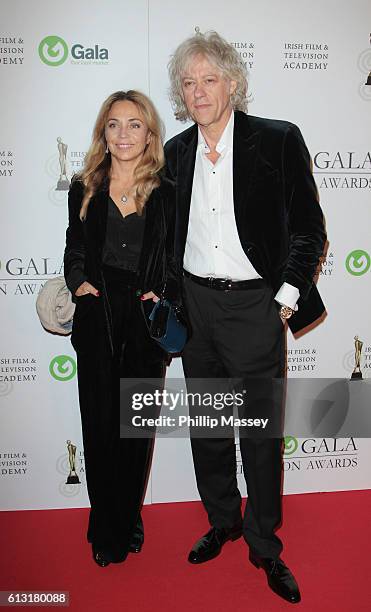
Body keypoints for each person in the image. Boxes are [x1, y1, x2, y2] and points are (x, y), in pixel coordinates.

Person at [165, 31, 326, 604]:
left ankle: (263, 545)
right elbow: (165, 237)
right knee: (208, 427)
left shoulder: (277, 140)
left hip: (256, 304)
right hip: (195, 305)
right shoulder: (176, 153)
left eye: (210, 79)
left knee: (259, 434)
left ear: (233, 83)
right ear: (180, 95)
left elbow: (309, 228)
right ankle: (224, 520)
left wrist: (285, 298)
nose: (199, 90)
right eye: (189, 82)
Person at [64, 90, 180, 567]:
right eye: (114, 124)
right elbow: (73, 248)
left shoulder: (167, 192)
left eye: (135, 124)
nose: (124, 134)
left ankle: (129, 516)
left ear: (149, 134)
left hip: (143, 316)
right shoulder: (84, 186)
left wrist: (163, 292)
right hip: (98, 316)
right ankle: (102, 523)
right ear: (103, 133)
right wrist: (79, 283)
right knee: (99, 424)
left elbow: (175, 259)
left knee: (136, 428)